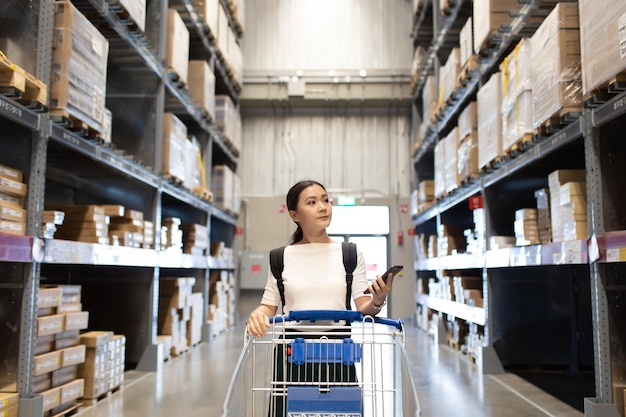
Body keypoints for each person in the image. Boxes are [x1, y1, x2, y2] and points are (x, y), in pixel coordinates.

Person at [246, 179, 396, 416]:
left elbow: (362, 307)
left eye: (326, 200)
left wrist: (378, 299)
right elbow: (268, 307)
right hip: (292, 355)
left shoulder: (350, 253)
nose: (323, 207)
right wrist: (257, 314)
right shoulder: (280, 258)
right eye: (312, 202)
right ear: (294, 215)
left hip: (339, 353)